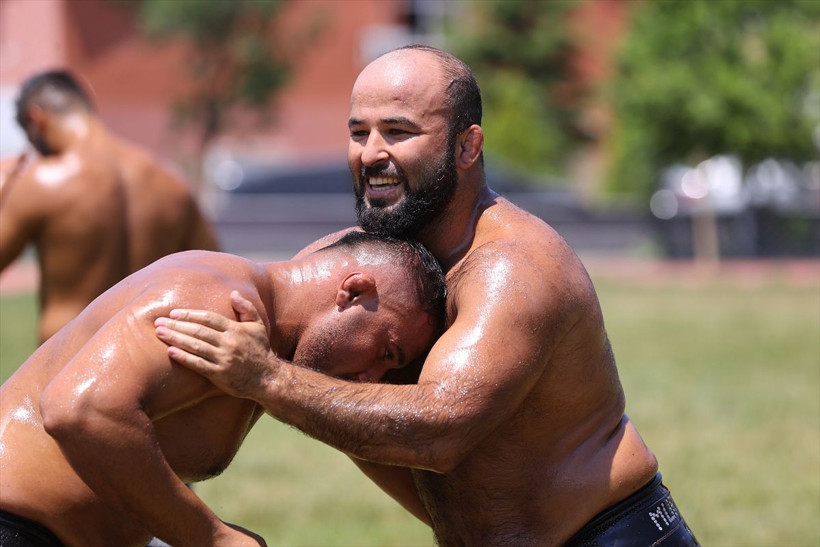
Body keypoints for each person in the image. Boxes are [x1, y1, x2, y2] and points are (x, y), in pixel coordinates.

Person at [154, 45, 700, 545]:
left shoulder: (511, 267)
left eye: (398, 131)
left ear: (468, 145)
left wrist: (268, 378)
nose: (371, 154)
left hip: (611, 535)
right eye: (358, 131)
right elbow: (267, 352)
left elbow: (442, 431)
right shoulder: (351, 265)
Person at [0, 231, 447, 547]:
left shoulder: (259, 352)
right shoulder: (219, 302)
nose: (372, 377)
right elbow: (80, 411)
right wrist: (209, 537)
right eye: (387, 352)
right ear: (353, 292)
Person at [0, 70, 219, 343]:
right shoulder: (170, 182)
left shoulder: (43, 182)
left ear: (37, 119)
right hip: (152, 367)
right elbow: (216, 275)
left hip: (67, 367)